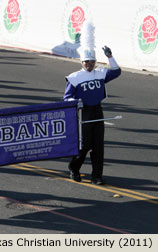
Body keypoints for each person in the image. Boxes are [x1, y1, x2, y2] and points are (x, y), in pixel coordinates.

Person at [63, 22, 121, 185]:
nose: (89, 64)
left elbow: (116, 72)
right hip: (84, 112)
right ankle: (74, 168)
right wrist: (77, 102)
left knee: (98, 146)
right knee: (85, 145)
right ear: (81, 62)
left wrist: (110, 57)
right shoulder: (75, 77)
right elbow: (67, 97)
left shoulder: (100, 73)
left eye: (92, 61)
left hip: (97, 110)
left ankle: (97, 175)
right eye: (86, 61)